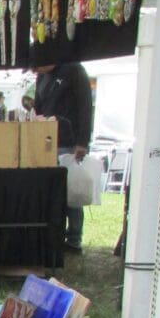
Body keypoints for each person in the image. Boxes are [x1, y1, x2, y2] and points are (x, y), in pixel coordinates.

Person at [31, 62, 94, 252]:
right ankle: (55, 235)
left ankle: (74, 238)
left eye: (38, 66)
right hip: (46, 141)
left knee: (71, 191)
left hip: (69, 141)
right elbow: (39, 106)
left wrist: (82, 141)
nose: (36, 70)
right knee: (54, 192)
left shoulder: (74, 70)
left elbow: (85, 107)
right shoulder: (42, 77)